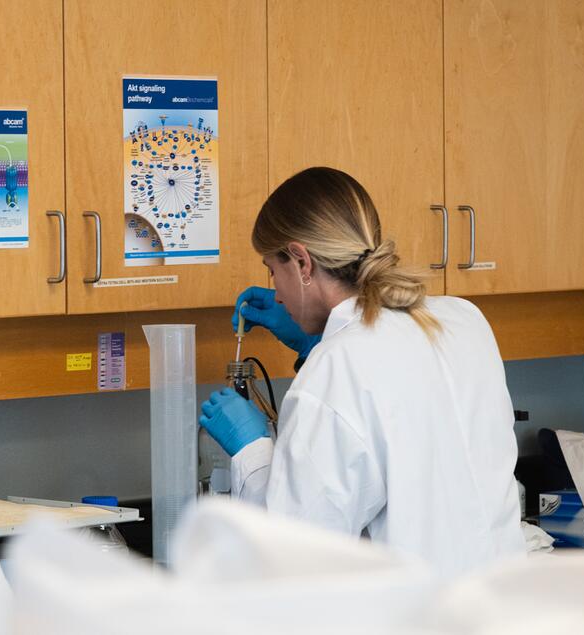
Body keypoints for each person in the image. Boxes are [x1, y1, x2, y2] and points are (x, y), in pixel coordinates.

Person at [199, 167, 525, 577]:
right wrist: (315, 339)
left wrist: (253, 451)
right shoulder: (464, 319)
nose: (276, 291)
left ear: (301, 261)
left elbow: (299, 556)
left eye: (273, 269)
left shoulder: (334, 370)